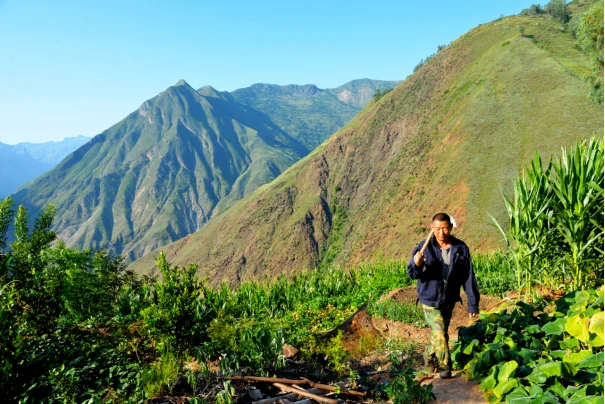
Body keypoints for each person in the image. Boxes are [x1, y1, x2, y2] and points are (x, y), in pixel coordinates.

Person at [407, 213, 480, 379]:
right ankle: (445, 367)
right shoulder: (423, 247)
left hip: (449, 299)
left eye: (445, 228)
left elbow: (468, 277)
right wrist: (417, 264)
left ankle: (427, 356)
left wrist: (473, 303)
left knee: (438, 333)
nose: (441, 232)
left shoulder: (460, 249)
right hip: (429, 300)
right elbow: (412, 273)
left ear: (451, 227)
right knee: (440, 332)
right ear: (432, 229)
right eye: (438, 229)